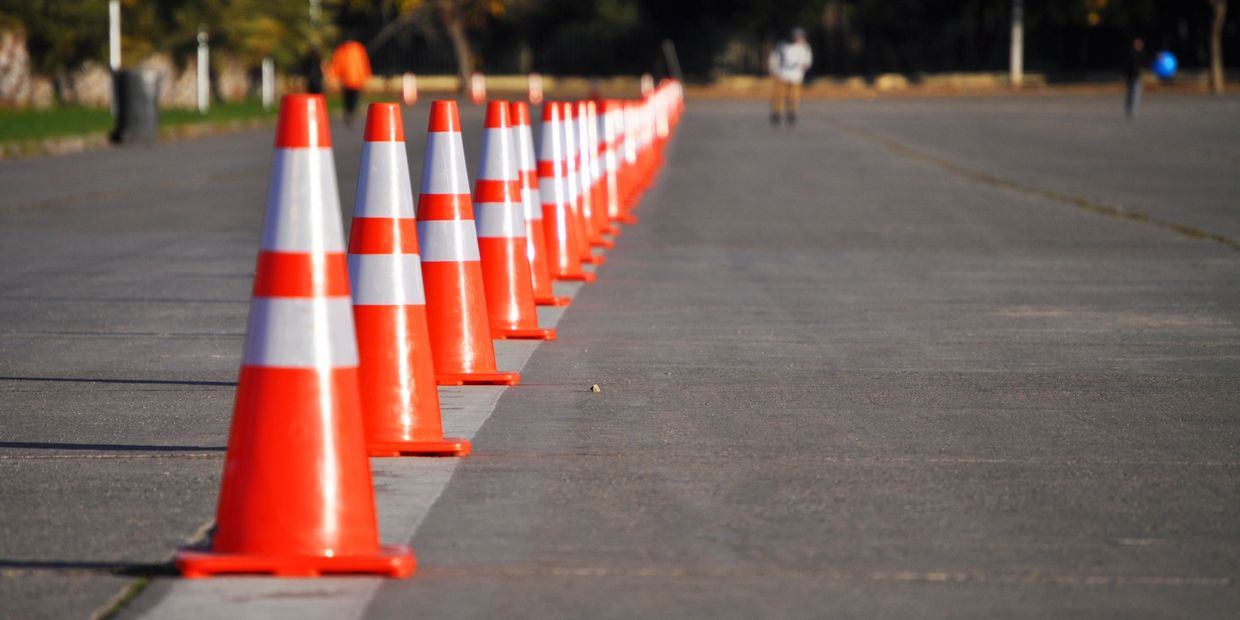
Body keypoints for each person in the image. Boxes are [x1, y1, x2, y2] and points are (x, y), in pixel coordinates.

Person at [768, 28, 813, 127]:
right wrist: (773, 69)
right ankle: (777, 113)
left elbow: (808, 60)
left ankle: (792, 113)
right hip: (782, 74)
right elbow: (774, 57)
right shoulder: (782, 45)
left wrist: (805, 65)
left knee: (794, 96)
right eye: (796, 37)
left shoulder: (805, 47)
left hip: (796, 76)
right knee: (779, 95)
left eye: (800, 37)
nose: (798, 39)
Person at [329, 40, 372, 126]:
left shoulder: (344, 50)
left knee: (350, 98)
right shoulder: (357, 49)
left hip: (348, 79)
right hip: (352, 79)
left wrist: (334, 74)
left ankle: (350, 112)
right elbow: (363, 63)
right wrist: (365, 75)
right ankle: (351, 112)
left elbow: (338, 64)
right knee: (352, 97)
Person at [1125, 37, 1148, 120]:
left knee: (1133, 93)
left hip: (1133, 76)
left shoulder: (1134, 53)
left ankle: (1131, 110)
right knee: (1134, 94)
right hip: (1132, 76)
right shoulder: (1133, 53)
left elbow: (1146, 61)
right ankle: (1131, 110)